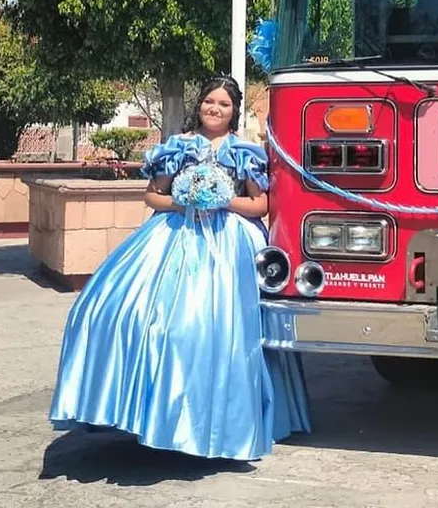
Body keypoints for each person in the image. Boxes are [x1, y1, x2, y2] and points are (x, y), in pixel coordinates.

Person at [49, 76, 312, 460]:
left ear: (234, 111)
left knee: (212, 330)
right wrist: (184, 201)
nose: (215, 109)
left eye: (224, 104)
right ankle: (142, 412)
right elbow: (152, 195)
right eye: (209, 102)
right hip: (174, 234)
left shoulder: (244, 151)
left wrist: (222, 201)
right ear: (199, 105)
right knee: (112, 311)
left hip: (229, 243)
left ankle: (217, 424)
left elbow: (260, 206)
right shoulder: (179, 146)